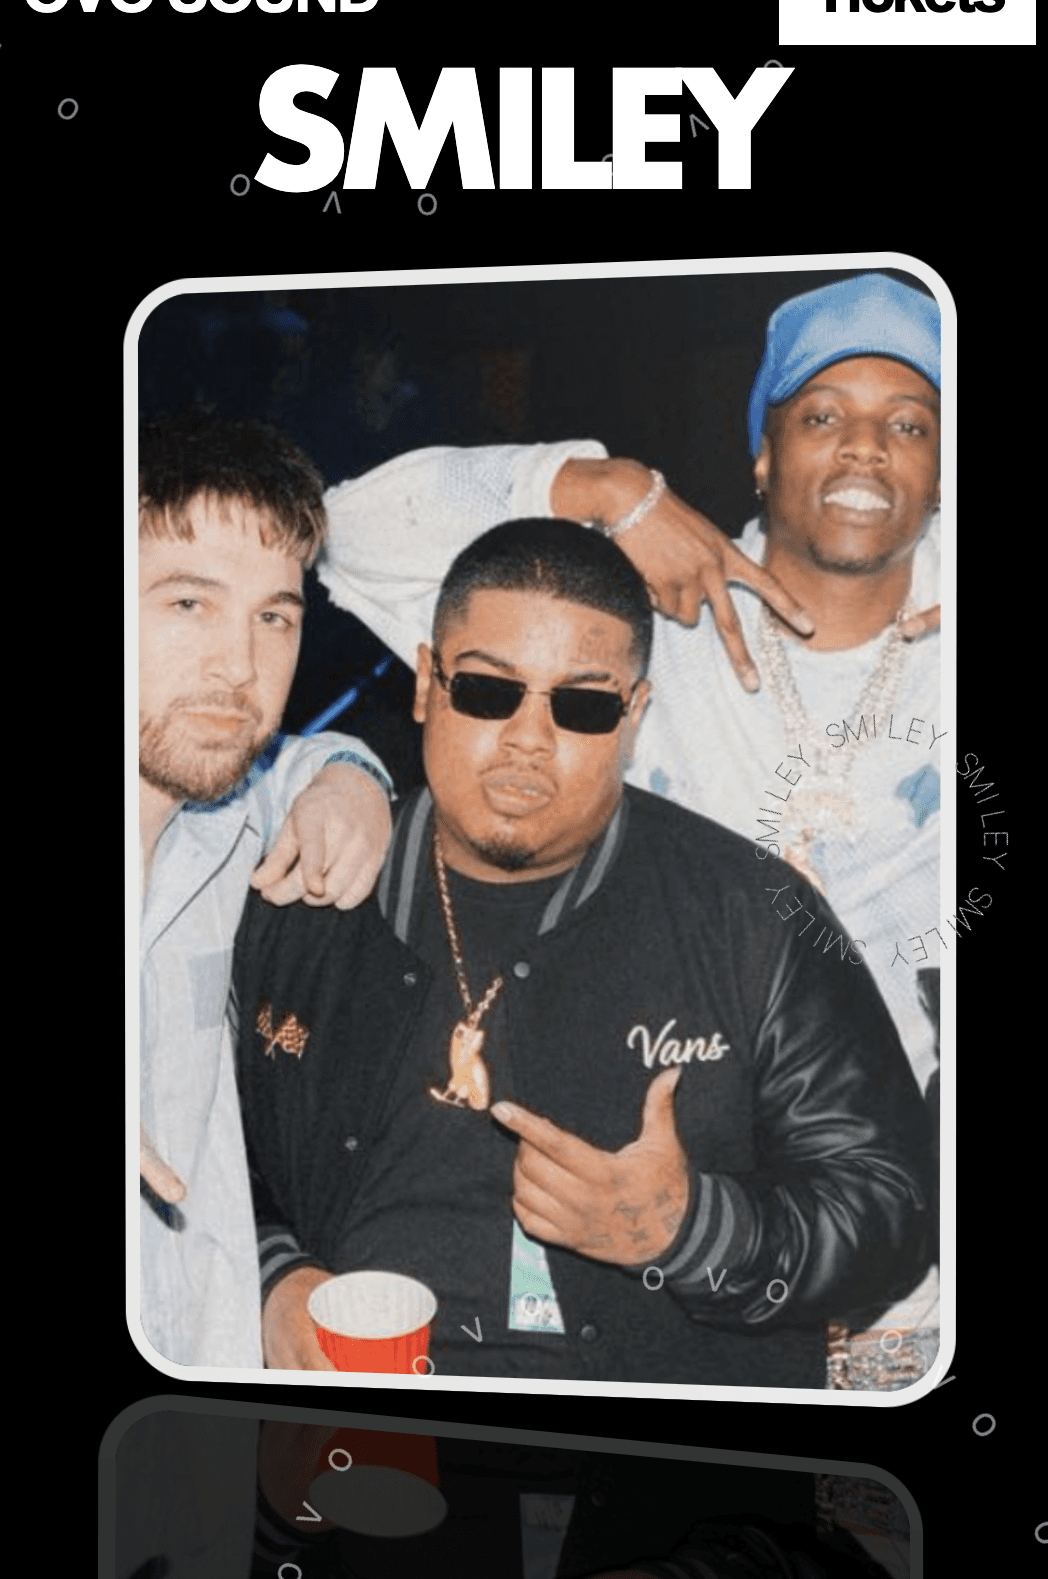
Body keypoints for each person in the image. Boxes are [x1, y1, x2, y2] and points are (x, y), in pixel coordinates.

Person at [313, 271, 944, 1387]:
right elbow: (342, 535)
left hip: (890, 1264)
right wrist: (602, 488)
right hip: (621, 1226)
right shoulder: (647, 632)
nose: (862, 447)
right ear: (760, 454)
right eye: (819, 415)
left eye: (909, 424)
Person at [234, 518, 934, 1389]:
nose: (529, 737)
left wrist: (690, 1228)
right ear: (425, 685)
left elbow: (894, 1211)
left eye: (583, 705)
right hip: (359, 1428)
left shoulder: (753, 915)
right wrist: (270, 1278)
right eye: (488, 690)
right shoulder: (305, 890)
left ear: (633, 717)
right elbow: (198, 1154)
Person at [138, 412, 395, 1368]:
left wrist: (350, 775)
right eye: (188, 603)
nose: (240, 667)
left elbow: (288, 758)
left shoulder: (227, 818)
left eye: (274, 617)